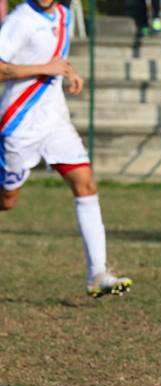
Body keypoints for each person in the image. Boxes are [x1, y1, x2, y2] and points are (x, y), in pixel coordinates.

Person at [0, 0, 132, 298]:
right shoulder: (19, 21)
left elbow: (57, 58)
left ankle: (98, 273)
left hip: (55, 121)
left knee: (85, 185)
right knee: (7, 202)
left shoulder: (65, 15)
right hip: (20, 122)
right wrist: (45, 69)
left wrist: (69, 72)